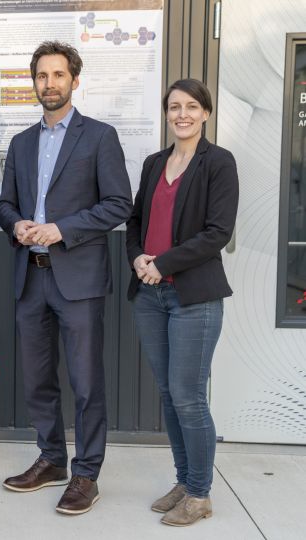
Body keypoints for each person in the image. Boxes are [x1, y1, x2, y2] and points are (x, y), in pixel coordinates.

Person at [0, 41, 132, 515]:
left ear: (75, 80)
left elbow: (119, 204)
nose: (48, 83)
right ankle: (52, 459)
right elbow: (5, 203)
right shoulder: (20, 143)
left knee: (86, 382)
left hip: (78, 280)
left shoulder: (99, 137)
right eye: (41, 76)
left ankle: (86, 474)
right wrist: (16, 224)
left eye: (58, 75)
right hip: (30, 279)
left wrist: (61, 229)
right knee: (37, 379)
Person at [126, 79, 238, 527]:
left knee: (189, 398)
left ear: (206, 113)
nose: (182, 114)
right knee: (170, 396)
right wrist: (138, 257)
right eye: (174, 107)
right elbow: (135, 221)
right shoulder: (155, 163)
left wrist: (163, 262)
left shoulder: (219, 163)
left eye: (192, 106)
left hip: (194, 297)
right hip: (150, 296)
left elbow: (218, 232)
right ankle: (184, 480)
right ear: (167, 114)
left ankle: (200, 493)